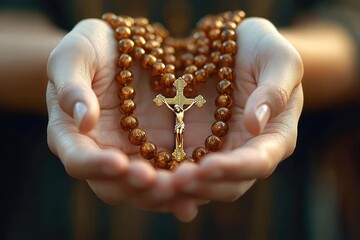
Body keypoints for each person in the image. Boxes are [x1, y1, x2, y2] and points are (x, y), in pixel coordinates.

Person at [1, 0, 359, 238]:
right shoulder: (171, 97)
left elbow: (348, 19)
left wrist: (282, 67)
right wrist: (70, 68)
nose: (179, 100)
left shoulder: (187, 97)